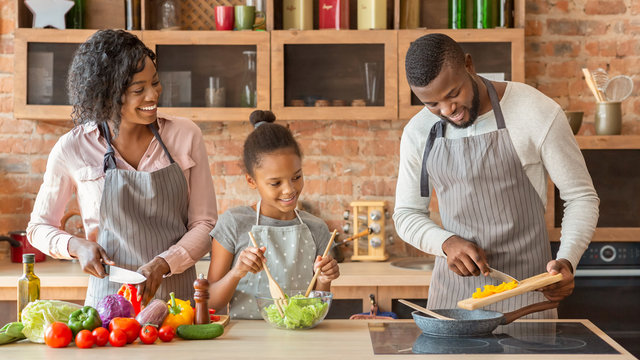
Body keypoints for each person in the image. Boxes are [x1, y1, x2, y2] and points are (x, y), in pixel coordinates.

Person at [393, 33, 599, 317]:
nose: (447, 110)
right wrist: (446, 243)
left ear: (469, 65)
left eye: (453, 94)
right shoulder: (418, 131)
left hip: (529, 295)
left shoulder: (535, 111)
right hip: (453, 302)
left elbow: (581, 197)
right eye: (432, 104)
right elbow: (406, 214)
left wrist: (567, 259)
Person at [27, 30, 217, 307]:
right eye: (139, 90)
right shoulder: (73, 148)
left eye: (155, 83)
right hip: (108, 307)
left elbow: (205, 224)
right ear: (107, 95)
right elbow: (38, 227)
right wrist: (76, 246)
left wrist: (165, 263)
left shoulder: (185, 135)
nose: (153, 95)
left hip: (178, 306)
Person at [207, 110, 339, 319]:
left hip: (300, 341)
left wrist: (324, 279)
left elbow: (318, 306)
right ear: (251, 181)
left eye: (296, 177)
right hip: (246, 344)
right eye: (276, 183)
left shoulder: (317, 228)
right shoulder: (233, 223)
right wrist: (237, 272)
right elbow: (210, 302)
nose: (289, 189)